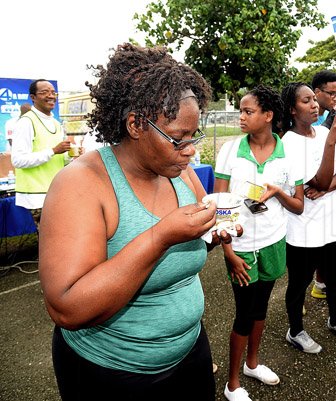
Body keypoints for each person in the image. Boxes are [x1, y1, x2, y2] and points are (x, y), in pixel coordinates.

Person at [38, 43, 227, 401]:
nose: (190, 151)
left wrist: (216, 231)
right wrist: (160, 237)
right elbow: (66, 306)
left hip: (189, 353)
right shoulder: (82, 183)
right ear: (136, 124)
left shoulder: (179, 171)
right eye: (178, 138)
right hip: (112, 373)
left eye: (194, 136)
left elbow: (201, 230)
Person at [214, 85, 305, 401]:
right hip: (240, 247)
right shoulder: (229, 150)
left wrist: (277, 191)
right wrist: (228, 251)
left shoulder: (288, 155)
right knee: (244, 312)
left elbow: (298, 205)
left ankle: (253, 363)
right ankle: (233, 383)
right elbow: (220, 203)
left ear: (268, 116)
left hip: (273, 242)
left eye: (247, 111)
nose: (241, 117)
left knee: (262, 307)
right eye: (240, 110)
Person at [281, 82, 336, 354]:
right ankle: (296, 331)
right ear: (292, 109)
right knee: (299, 284)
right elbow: (319, 178)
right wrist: (329, 148)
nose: (314, 104)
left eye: (314, 99)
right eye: (306, 101)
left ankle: (335, 320)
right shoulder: (288, 144)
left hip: (330, 225)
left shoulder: (324, 131)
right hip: (302, 230)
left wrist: (326, 187)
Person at [11, 81, 70, 228]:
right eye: (44, 92)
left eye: (53, 92)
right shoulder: (26, 122)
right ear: (33, 97)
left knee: (62, 237)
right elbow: (18, 160)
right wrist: (53, 151)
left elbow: (59, 159)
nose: (51, 96)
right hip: (37, 196)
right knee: (51, 241)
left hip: (56, 191)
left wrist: (70, 156)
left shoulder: (56, 123)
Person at [308, 69, 336, 300]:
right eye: (331, 94)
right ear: (317, 92)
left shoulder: (334, 116)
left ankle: (320, 284)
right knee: (305, 250)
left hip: (326, 191)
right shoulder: (302, 121)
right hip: (307, 193)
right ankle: (297, 298)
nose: (335, 99)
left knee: (326, 244)